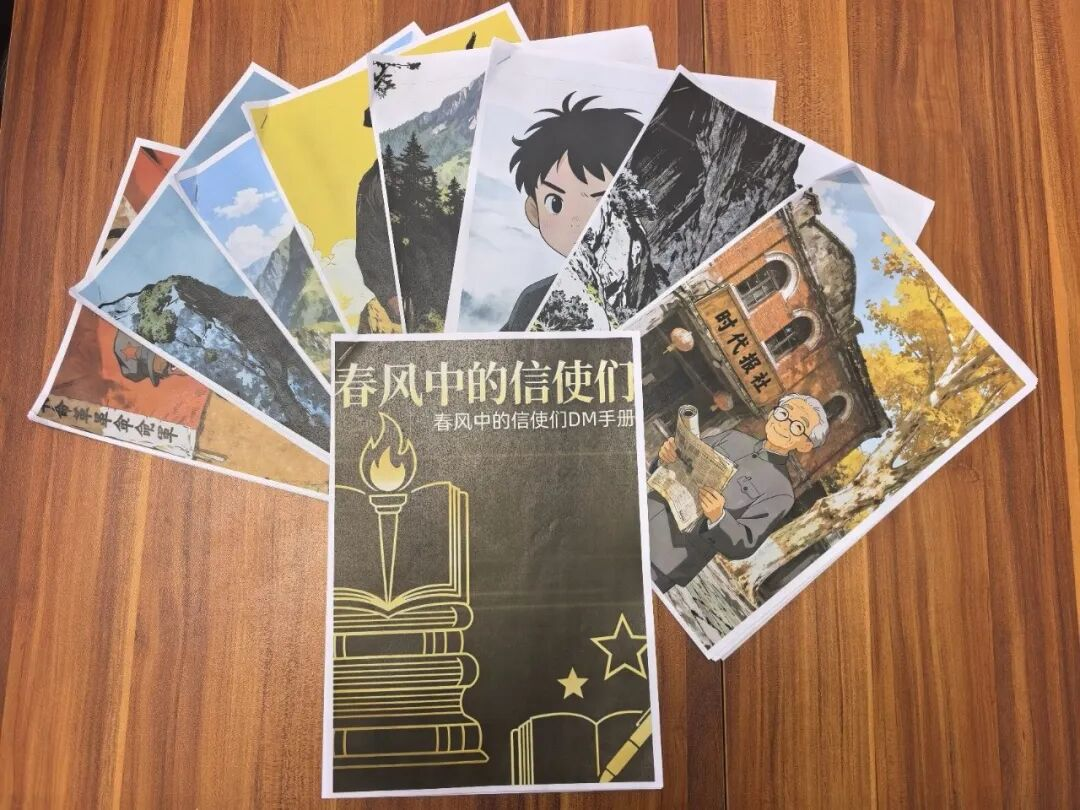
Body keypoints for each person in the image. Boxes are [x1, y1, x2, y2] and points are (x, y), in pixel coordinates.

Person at [649, 394, 830, 592]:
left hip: (669, 557)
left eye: (798, 426)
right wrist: (667, 457)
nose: (785, 424)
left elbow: (745, 543)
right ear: (772, 414)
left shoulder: (782, 492)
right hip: (645, 514)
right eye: (784, 413)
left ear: (804, 445)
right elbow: (676, 463)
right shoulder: (732, 438)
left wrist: (718, 517)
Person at [501, 93, 642, 331]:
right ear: (534, 211)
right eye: (555, 203)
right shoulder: (534, 300)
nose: (578, 220)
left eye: (599, 202)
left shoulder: (634, 282)